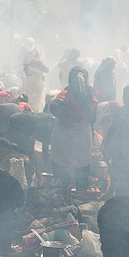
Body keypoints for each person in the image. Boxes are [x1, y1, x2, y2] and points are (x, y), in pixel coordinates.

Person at [49, 67, 98, 198]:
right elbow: (92, 115)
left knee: (62, 168)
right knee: (81, 167)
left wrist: (64, 119)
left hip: (67, 133)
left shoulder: (67, 93)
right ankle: (80, 198)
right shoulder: (89, 93)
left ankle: (63, 197)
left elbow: (54, 106)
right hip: (80, 133)